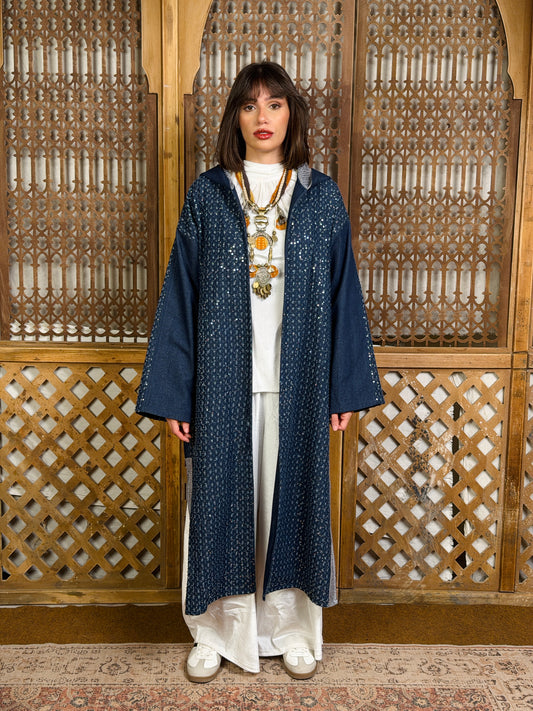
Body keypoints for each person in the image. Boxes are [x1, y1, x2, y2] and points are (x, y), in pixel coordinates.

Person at [136, 61, 383, 682]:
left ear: (291, 114)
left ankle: (292, 630)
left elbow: (343, 295)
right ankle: (215, 633)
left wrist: (344, 387)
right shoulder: (209, 193)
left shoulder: (319, 196)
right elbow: (181, 294)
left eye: (274, 104)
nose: (263, 117)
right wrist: (176, 395)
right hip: (223, 382)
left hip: (300, 380)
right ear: (235, 118)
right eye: (249, 105)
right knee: (219, 507)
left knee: (291, 507)